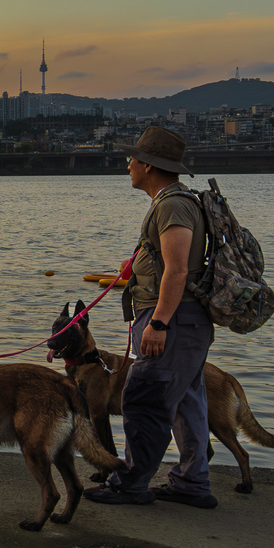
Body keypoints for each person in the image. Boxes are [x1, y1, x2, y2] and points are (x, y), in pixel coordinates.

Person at [87, 126, 217, 509]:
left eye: (132, 159)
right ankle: (192, 483)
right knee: (186, 401)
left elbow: (177, 271)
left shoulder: (173, 205)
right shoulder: (173, 202)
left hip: (173, 321)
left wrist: (158, 323)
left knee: (144, 399)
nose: (127, 165)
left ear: (147, 165)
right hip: (185, 322)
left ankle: (130, 484)